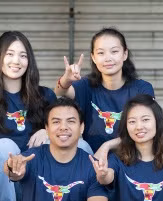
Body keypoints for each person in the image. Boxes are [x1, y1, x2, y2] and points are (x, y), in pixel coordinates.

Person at [0, 31, 92, 201]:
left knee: (81, 146)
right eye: (10, 54)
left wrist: (46, 130)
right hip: (9, 183)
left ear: (29, 61)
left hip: (41, 183)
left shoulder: (44, 95)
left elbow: (61, 127)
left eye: (23, 55)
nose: (16, 61)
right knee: (4, 146)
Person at [0, 97, 110, 201]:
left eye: (71, 121)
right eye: (56, 122)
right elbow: (15, 172)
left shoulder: (92, 166)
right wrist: (12, 167)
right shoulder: (34, 156)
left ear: (81, 128)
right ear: (46, 129)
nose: (63, 127)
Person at [54, 27, 155, 163]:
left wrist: (107, 146)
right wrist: (67, 79)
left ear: (125, 54)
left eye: (114, 51)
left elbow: (148, 128)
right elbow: (60, 93)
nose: (108, 58)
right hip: (92, 157)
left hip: (131, 155)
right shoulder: (86, 86)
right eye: (101, 53)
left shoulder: (142, 88)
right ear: (93, 58)